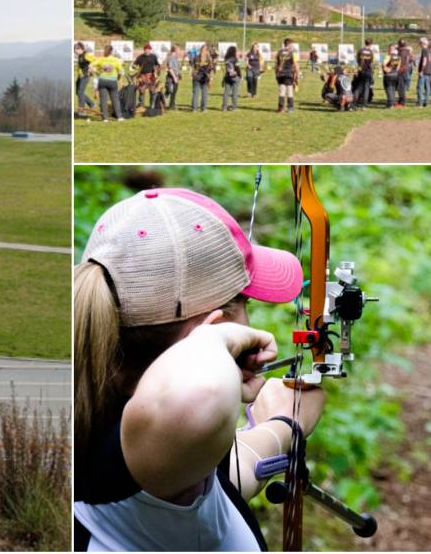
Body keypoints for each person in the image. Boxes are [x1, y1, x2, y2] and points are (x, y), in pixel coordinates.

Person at [73, 188, 323, 551]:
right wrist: (213, 341)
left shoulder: (159, 456)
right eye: (245, 302)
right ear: (218, 325)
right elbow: (199, 399)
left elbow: (220, 480)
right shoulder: (135, 447)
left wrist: (282, 426)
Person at [92, 44, 125, 122]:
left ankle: (105, 118)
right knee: (115, 99)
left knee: (103, 100)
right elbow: (122, 72)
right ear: (112, 51)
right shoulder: (116, 60)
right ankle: (119, 117)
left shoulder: (101, 59)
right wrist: (118, 77)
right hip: (113, 81)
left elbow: (90, 66)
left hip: (102, 80)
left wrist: (96, 72)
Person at [274, 38, 300, 113]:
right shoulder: (293, 53)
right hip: (289, 74)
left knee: (282, 91)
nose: (293, 46)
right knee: (289, 91)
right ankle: (290, 108)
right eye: (292, 44)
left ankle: (280, 108)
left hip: (280, 74)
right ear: (289, 44)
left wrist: (276, 74)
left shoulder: (279, 52)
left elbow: (276, 65)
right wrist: (297, 75)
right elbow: (296, 65)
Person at [133, 44, 161, 110]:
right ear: (144, 50)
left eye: (148, 50)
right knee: (141, 90)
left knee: (152, 90)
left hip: (151, 76)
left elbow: (157, 64)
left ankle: (152, 105)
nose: (147, 51)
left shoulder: (153, 57)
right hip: (142, 75)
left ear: (150, 50)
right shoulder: (140, 57)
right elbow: (134, 65)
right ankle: (140, 104)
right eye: (146, 50)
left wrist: (158, 69)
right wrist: (135, 67)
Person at [191, 44, 214, 112]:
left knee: (195, 93)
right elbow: (212, 69)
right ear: (207, 51)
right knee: (204, 94)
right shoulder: (209, 59)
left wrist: (193, 74)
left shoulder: (196, 57)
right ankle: (203, 108)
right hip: (205, 77)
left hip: (196, 77)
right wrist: (211, 79)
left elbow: (192, 68)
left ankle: (194, 109)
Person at [75, 43, 96, 112]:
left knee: (81, 92)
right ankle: (92, 104)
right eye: (74, 49)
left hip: (85, 75)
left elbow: (95, 60)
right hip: (80, 76)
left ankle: (82, 110)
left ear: (82, 49)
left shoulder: (86, 55)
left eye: (77, 49)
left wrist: (91, 67)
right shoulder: (79, 56)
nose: (75, 51)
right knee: (78, 92)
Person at [355, 39, 376, 107]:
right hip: (368, 71)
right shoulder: (371, 52)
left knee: (358, 87)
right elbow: (372, 62)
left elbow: (357, 59)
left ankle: (354, 102)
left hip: (361, 70)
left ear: (365, 43)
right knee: (367, 88)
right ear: (371, 44)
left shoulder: (360, 51)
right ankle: (364, 105)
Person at [221, 46, 242, 111]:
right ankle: (234, 107)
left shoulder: (226, 58)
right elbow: (237, 68)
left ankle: (224, 107)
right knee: (235, 93)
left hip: (227, 76)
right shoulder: (235, 59)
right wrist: (240, 76)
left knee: (226, 93)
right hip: (235, 77)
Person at [416, 37, 431, 107]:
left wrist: (421, 71)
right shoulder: (429, 50)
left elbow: (424, 61)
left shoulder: (424, 50)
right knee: (427, 88)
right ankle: (426, 102)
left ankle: (420, 103)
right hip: (429, 71)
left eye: (420, 43)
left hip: (424, 71)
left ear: (422, 43)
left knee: (420, 88)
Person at [382, 45, 401, 109]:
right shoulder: (398, 56)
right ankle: (392, 103)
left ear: (389, 49)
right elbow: (398, 66)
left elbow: (383, 64)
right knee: (393, 90)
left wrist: (386, 70)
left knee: (388, 90)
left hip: (389, 75)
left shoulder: (388, 56)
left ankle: (390, 104)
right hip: (396, 74)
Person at [396, 38, 413, 107]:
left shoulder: (401, 52)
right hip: (406, 70)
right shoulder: (407, 51)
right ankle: (401, 101)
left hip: (402, 71)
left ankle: (402, 103)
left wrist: (399, 70)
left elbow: (402, 62)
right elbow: (411, 60)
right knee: (402, 87)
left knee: (401, 88)